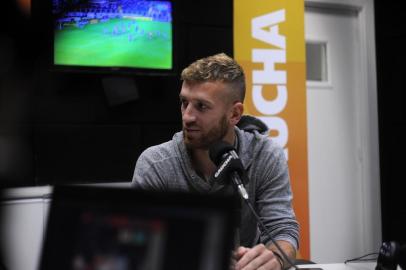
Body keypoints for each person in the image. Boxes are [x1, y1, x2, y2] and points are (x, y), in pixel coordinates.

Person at [132, 53, 299, 270]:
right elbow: (138, 244)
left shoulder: (265, 154)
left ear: (235, 114)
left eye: (201, 106)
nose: (187, 116)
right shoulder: (156, 164)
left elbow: (282, 229)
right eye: (184, 103)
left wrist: (275, 258)